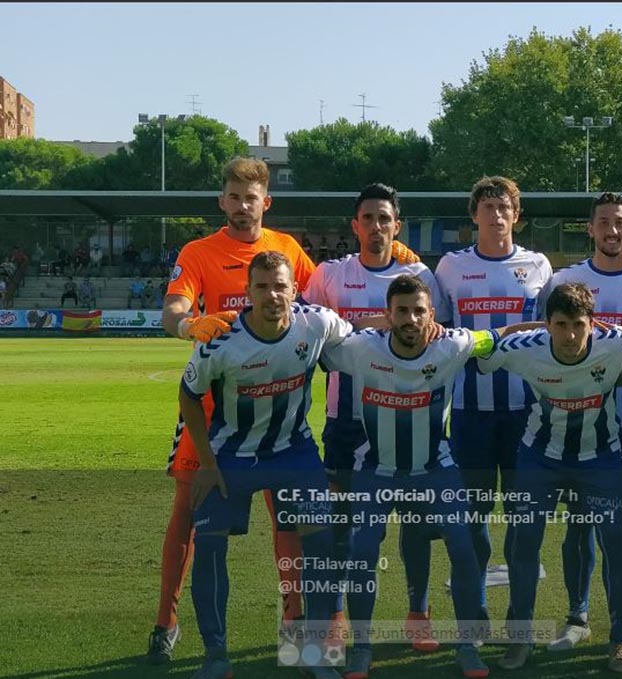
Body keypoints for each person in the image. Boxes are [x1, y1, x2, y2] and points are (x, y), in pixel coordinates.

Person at [149, 155, 423, 665]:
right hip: (212, 410)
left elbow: (336, 281)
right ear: (222, 201)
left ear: (265, 202)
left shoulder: (288, 251)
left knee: (292, 520)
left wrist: (393, 252)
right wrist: (188, 327)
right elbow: (174, 307)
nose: (240, 206)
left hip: (280, 417)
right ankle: (166, 621)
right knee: (189, 514)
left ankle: (296, 621)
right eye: (232, 197)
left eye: (249, 198)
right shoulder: (199, 250)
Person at [319, 274, 502, 679]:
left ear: (431, 314)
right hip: (377, 469)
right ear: (388, 314)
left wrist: (544, 328)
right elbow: (319, 340)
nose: (410, 319)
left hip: (435, 469)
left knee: (463, 543)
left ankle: (468, 645)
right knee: (362, 551)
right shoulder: (360, 349)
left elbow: (498, 337)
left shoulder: (452, 345)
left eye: (419, 310)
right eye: (401, 311)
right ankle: (361, 648)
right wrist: (368, 323)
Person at [180, 251, 352, 679]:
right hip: (232, 456)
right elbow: (188, 395)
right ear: (248, 292)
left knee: (320, 545)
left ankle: (312, 655)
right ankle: (216, 656)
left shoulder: (318, 322)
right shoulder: (222, 343)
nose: (273, 295)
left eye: (280, 286)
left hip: (293, 451)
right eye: (262, 287)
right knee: (212, 546)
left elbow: (357, 342)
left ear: (295, 289)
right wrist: (205, 464)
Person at [301, 182, 450, 653]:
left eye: (385, 219)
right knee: (345, 522)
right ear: (355, 225)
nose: (376, 227)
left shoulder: (420, 275)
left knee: (416, 523)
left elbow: (436, 336)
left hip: (412, 419)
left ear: (396, 226)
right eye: (368, 218)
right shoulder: (329, 275)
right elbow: (309, 334)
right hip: (347, 420)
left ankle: (418, 613)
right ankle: (337, 619)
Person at [481, 282, 622, 672]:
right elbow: (486, 356)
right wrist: (514, 329)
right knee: (525, 542)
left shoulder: (618, 342)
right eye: (560, 325)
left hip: (601, 456)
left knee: (615, 544)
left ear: (593, 323)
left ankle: (619, 639)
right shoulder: (527, 347)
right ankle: (520, 639)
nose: (571, 335)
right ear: (548, 324)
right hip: (540, 457)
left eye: (578, 324)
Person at [538, 193, 622, 654]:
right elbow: (545, 343)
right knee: (580, 522)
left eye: (620, 223)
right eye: (603, 223)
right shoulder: (566, 280)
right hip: (577, 426)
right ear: (590, 229)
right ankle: (577, 616)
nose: (612, 231)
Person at [433, 176, 553, 620]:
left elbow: (549, 332)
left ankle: (518, 618)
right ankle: (475, 611)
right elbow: (440, 333)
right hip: (469, 412)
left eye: (504, 206)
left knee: (522, 520)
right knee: (473, 517)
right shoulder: (451, 266)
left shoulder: (539, 265)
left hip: (525, 412)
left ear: (516, 215)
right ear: (474, 215)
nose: (496, 214)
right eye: (487, 206)